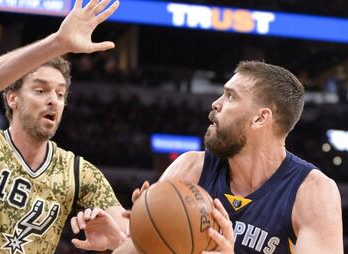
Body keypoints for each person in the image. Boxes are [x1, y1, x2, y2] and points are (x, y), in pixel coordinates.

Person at [0, 0, 128, 253]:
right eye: (40, 90)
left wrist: (120, 243)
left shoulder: (78, 173)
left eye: (60, 94)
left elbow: (131, 235)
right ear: (11, 97)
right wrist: (58, 42)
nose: (53, 100)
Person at [113, 61, 343, 254]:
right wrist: (137, 231)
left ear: (260, 118)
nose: (216, 103)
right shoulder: (191, 168)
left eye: (230, 97)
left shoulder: (312, 191)